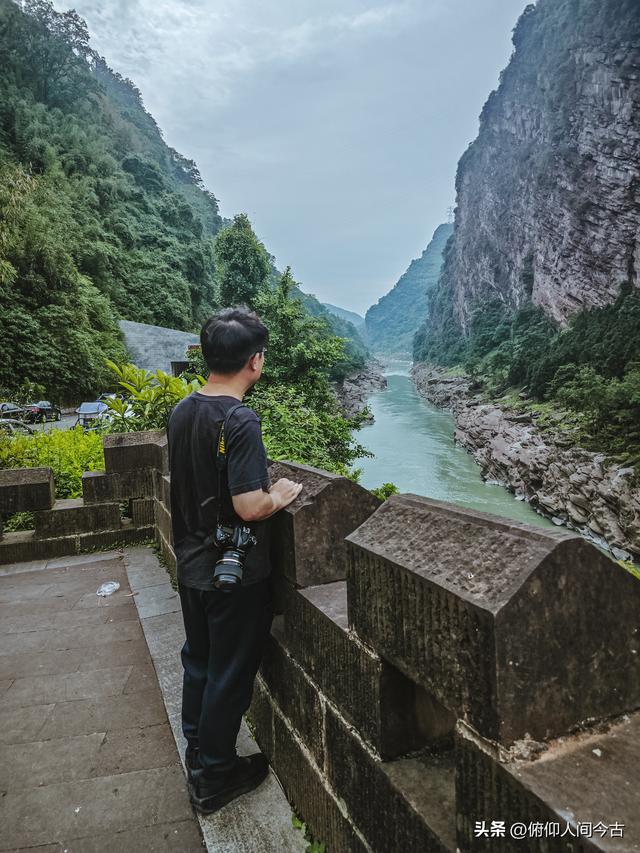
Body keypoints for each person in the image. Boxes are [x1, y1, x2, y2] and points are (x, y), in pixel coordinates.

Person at [166, 306, 303, 815]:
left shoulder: (183, 410)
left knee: (199, 661)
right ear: (255, 362)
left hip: (193, 565)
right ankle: (215, 776)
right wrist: (280, 496)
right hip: (234, 572)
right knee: (229, 672)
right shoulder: (240, 420)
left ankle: (199, 751)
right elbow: (249, 505)